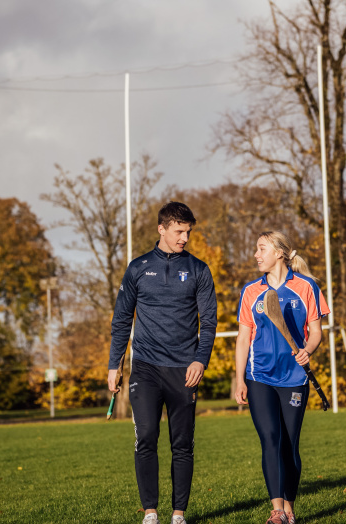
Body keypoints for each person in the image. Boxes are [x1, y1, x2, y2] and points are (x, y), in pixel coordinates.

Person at [109, 201, 218, 524]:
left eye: (188, 232)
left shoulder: (198, 269)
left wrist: (200, 360)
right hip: (145, 366)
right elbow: (121, 320)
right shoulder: (138, 268)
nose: (185, 237)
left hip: (184, 369)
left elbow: (209, 322)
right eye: (179, 231)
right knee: (146, 437)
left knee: (182, 443)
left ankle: (178, 514)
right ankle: (151, 512)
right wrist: (114, 365)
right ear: (162, 229)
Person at [234, 231, 329, 524]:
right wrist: (239, 379)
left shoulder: (307, 287)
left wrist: (307, 350)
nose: (256, 254)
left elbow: (316, 333)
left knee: (289, 444)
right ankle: (276, 509)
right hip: (258, 375)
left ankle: (289, 505)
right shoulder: (251, 291)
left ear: (279, 253)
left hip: (294, 377)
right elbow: (243, 337)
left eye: (261, 248)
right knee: (270, 439)